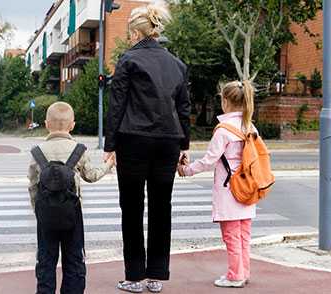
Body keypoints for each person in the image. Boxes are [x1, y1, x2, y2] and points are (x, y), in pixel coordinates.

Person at [103, 3, 191, 293]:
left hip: (133, 139)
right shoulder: (177, 65)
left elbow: (117, 106)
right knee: (161, 207)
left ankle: (134, 277)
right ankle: (155, 277)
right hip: (168, 142)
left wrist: (110, 145)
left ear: (135, 32)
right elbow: (184, 108)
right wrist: (184, 145)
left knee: (131, 208)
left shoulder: (128, 60)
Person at [28, 102, 116, 294]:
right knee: (74, 260)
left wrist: (39, 212)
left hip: (46, 218)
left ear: (46, 124)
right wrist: (109, 165)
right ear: (72, 125)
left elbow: (33, 186)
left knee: (45, 260)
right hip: (72, 215)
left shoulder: (37, 152)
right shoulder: (79, 150)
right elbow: (91, 176)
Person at [178, 80, 257, 288]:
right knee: (243, 235)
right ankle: (243, 271)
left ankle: (234, 275)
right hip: (248, 188)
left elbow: (208, 161)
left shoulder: (224, 130)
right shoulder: (250, 125)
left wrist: (186, 170)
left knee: (231, 235)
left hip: (230, 189)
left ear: (225, 101)